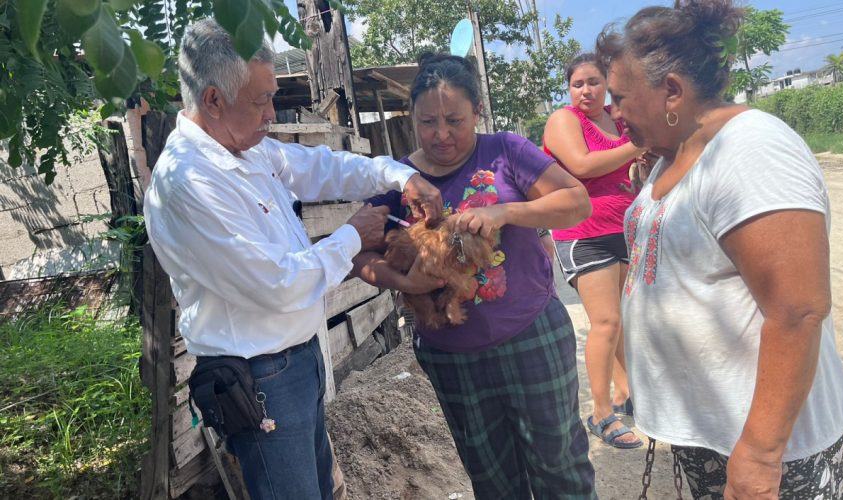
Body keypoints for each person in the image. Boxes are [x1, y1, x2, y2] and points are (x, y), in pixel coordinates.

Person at [143, 19, 442, 500]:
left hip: (297, 362)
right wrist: (351, 236)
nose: (270, 112)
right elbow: (275, 285)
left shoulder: (246, 151)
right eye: (260, 100)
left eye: (272, 96)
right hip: (260, 379)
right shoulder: (188, 183)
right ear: (214, 100)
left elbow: (320, 167)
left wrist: (395, 174)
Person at [596, 1, 843, 498]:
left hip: (769, 447)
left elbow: (797, 310)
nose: (613, 111)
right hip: (715, 435)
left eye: (621, 97)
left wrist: (759, 455)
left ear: (672, 91)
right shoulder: (678, 154)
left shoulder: (751, 150)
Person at [352, 53, 597, 499]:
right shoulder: (400, 178)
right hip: (452, 357)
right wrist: (405, 283)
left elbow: (577, 202)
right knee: (492, 482)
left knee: (559, 469)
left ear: (477, 113)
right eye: (428, 122)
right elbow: (357, 254)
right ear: (411, 117)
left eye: (454, 120)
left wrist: (506, 210)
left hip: (530, 338)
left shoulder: (505, 149)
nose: (441, 134)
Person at [542, 53, 645, 449]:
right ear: (569, 89)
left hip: (624, 227)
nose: (586, 90)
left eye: (594, 82)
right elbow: (582, 165)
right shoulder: (564, 121)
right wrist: (637, 144)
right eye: (578, 84)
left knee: (619, 321)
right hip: (583, 231)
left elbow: (632, 167)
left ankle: (625, 392)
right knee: (603, 322)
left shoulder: (618, 121)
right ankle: (601, 412)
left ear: (607, 84)